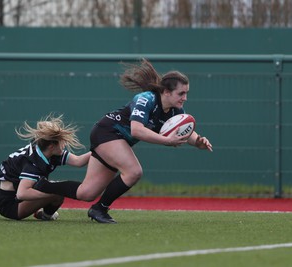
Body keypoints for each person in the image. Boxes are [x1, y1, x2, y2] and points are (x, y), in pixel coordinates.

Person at [33, 58, 213, 223]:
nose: (185, 98)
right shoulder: (146, 99)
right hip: (107, 133)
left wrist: (198, 141)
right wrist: (166, 141)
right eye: (181, 93)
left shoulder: (175, 111)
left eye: (186, 93)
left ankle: (43, 185)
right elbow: (137, 130)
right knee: (134, 171)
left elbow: (186, 132)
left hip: (116, 141)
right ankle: (99, 209)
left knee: (86, 192)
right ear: (166, 91)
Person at [0, 113, 91, 221]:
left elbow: (78, 161)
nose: (64, 145)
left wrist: (99, 150)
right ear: (51, 146)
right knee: (56, 194)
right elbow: (22, 193)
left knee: (51, 187)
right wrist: (48, 197)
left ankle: (31, 210)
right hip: (11, 206)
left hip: (15, 194)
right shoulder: (33, 162)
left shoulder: (47, 150)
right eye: (61, 142)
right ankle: (44, 215)